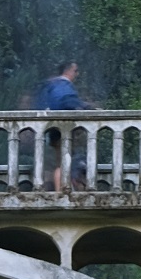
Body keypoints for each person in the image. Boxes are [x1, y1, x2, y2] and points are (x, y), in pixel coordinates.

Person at [40, 59, 85, 190]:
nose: (77, 74)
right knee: (62, 162)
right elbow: (67, 102)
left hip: (55, 130)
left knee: (64, 161)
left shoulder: (51, 85)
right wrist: (85, 107)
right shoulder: (63, 85)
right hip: (62, 130)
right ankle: (61, 191)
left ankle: (64, 188)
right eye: (75, 71)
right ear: (69, 70)